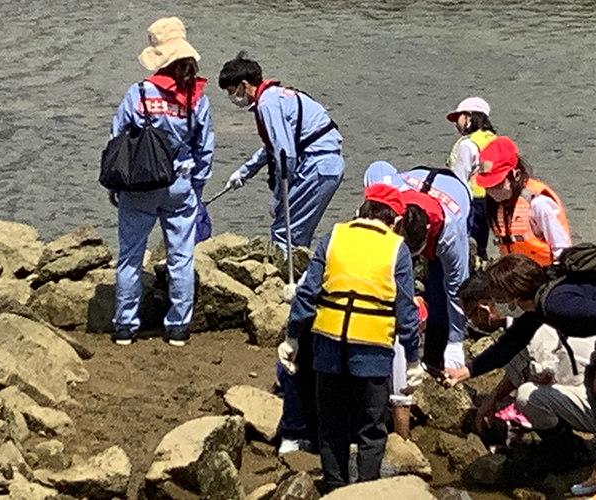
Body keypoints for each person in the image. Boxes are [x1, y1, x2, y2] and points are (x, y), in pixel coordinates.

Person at [445, 254, 596, 500]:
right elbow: (509, 344)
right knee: (595, 382)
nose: (496, 303)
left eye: (499, 297)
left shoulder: (556, 304)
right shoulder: (536, 303)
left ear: (513, 294)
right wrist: (467, 371)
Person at [277, 183, 423, 491]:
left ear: (363, 209)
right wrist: (413, 360)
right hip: (372, 354)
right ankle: (365, 490)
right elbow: (406, 311)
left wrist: (292, 338)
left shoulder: (333, 238)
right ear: (395, 220)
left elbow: (307, 295)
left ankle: (334, 486)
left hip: (328, 348)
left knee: (332, 425)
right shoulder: (397, 249)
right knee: (371, 429)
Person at [109, 17, 214, 346]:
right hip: (179, 184)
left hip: (138, 185)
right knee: (181, 257)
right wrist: (196, 188)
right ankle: (178, 328)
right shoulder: (195, 97)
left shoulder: (138, 93)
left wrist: (117, 186)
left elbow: (117, 139)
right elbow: (204, 149)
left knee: (130, 256)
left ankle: (125, 326)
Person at [459, 272, 595, 470]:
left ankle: (568, 454)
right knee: (526, 392)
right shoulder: (526, 317)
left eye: (470, 315)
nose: (471, 322)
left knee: (527, 396)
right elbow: (519, 367)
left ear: (484, 309)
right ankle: (565, 446)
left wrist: (515, 410)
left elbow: (544, 373)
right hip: (589, 388)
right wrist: (492, 400)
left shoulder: (534, 326)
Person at [219, 53, 344, 252]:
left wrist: (279, 196)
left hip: (316, 166)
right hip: (327, 165)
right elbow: (274, 147)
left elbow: (286, 155)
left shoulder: (267, 104)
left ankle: (282, 279)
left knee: (283, 231)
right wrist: (245, 171)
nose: (231, 97)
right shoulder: (276, 95)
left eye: (232, 91)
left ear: (244, 84)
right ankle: (301, 273)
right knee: (297, 232)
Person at [363, 161, 471, 371]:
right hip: (414, 180)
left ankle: (433, 359)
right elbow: (377, 167)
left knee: (441, 293)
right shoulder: (390, 195)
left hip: (455, 193)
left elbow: (458, 289)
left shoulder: (451, 235)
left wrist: (456, 341)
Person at [476, 136, 571, 266]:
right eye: (487, 186)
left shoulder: (539, 204)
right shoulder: (497, 205)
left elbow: (561, 249)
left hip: (545, 274)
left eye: (497, 184)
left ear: (516, 175)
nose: (491, 190)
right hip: (516, 275)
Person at [445, 97, 498, 260]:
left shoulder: (467, 144)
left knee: (467, 246)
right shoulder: (494, 140)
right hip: (492, 200)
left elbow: (459, 178)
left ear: (469, 116)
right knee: (482, 245)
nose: (456, 123)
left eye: (458, 117)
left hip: (471, 202)